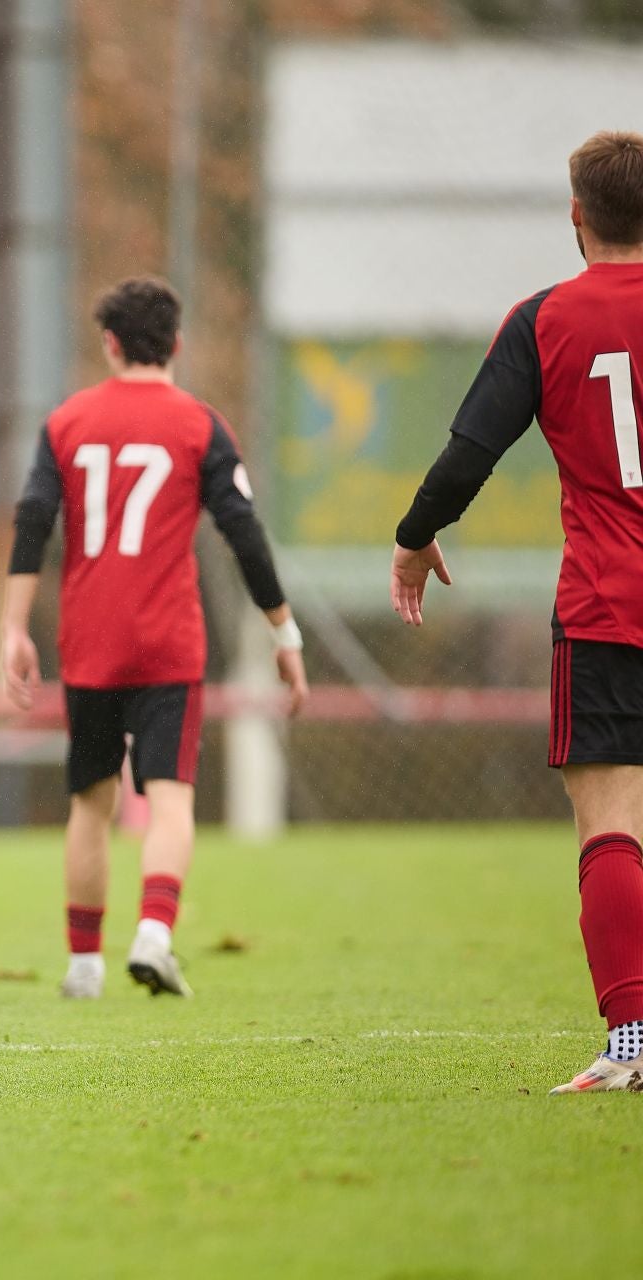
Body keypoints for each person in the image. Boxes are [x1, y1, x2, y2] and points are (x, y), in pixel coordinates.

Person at [392, 130, 643, 1095]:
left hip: (607, 610)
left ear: (576, 216)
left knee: (610, 826)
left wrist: (415, 537)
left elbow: (468, 454)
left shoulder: (544, 320)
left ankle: (631, 1046)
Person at [3, 276, 309, 1000]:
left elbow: (31, 522)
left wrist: (15, 627)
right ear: (177, 344)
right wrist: (283, 632)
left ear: (110, 345)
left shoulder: (66, 423)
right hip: (169, 643)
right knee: (170, 797)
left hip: (90, 642)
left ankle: (83, 965)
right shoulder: (200, 426)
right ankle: (155, 933)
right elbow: (245, 536)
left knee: (91, 802)